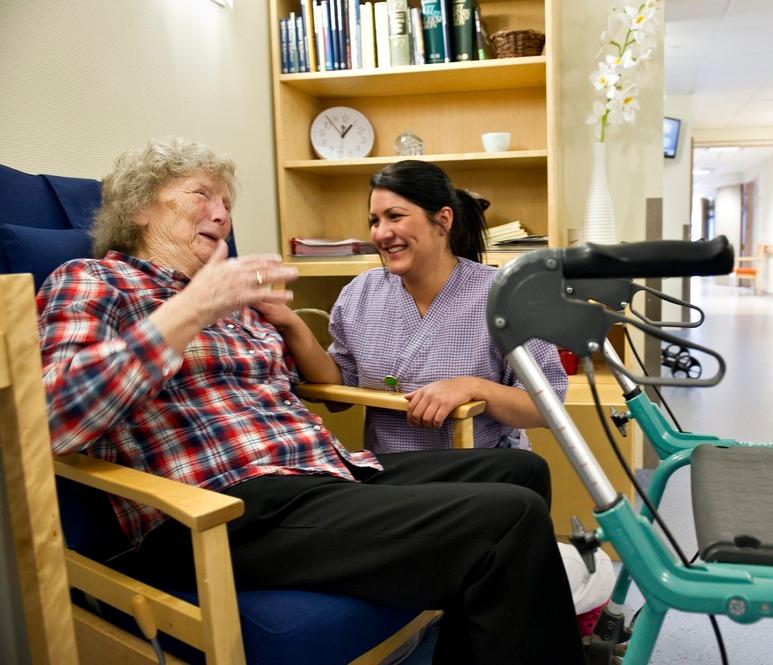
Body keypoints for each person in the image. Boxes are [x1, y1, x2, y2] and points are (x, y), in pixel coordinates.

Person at [36, 137, 585, 665]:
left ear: (443, 221)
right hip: (223, 506)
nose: (222, 214)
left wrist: (267, 319)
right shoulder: (93, 282)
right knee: (511, 520)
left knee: (520, 471)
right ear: (138, 208)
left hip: (317, 478)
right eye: (202, 195)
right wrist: (190, 309)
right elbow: (54, 420)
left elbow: (307, 391)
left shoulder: (236, 303)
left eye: (227, 203)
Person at [326, 160, 569, 453]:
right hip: (391, 478)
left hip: (483, 474)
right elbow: (339, 391)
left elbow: (546, 408)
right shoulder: (360, 293)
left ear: (443, 219)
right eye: (375, 221)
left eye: (395, 216)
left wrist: (473, 387)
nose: (380, 233)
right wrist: (290, 326)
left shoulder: (506, 297)